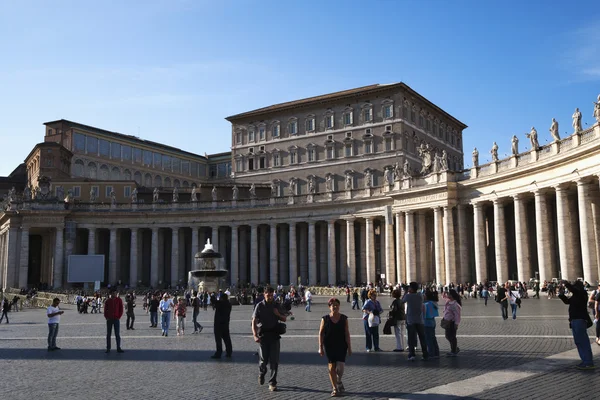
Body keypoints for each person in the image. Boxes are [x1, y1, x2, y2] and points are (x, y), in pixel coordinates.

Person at [252, 286, 287, 392]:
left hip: (274, 335)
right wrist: (254, 335)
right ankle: (262, 373)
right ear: (264, 294)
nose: (270, 297)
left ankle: (272, 382)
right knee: (263, 361)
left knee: (274, 361)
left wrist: (278, 314)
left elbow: (284, 318)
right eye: (268, 295)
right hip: (263, 336)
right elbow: (254, 320)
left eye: (272, 295)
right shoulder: (259, 306)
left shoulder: (277, 305)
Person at [319, 298, 351, 397]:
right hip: (329, 345)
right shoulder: (325, 319)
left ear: (339, 306)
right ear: (329, 307)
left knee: (340, 367)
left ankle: (338, 380)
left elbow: (347, 333)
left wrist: (349, 347)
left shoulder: (344, 318)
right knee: (331, 366)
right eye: (333, 305)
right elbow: (320, 333)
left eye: (337, 305)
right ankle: (334, 388)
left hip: (341, 345)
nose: (335, 307)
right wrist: (320, 347)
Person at [558, 280, 595, 369]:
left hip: (579, 320)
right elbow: (567, 302)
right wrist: (561, 294)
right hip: (575, 320)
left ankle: (588, 362)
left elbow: (574, 290)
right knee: (579, 341)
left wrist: (566, 283)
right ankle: (585, 360)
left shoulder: (581, 293)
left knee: (582, 341)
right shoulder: (576, 295)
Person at [403, 282, 429, 361]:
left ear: (411, 289)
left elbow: (402, 301)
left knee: (411, 338)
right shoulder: (420, 295)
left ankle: (412, 355)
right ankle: (425, 354)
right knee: (422, 338)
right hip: (420, 320)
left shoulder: (408, 296)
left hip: (411, 321)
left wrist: (405, 292)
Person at [211, 293, 233, 359]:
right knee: (227, 339)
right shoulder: (229, 304)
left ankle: (218, 353)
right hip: (225, 323)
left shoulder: (220, 303)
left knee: (218, 339)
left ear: (222, 298)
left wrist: (212, 295)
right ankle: (229, 352)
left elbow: (213, 301)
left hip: (218, 324)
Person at [104, 289, 124, 353]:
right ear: (111, 294)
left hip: (116, 319)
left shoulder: (119, 300)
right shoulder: (108, 301)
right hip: (109, 319)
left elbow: (121, 309)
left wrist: (119, 316)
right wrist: (106, 317)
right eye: (113, 293)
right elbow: (105, 310)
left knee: (117, 334)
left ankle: (118, 347)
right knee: (108, 334)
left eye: (115, 293)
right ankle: (108, 348)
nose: (114, 294)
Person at [442, 289, 462, 356]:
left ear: (452, 295)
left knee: (451, 336)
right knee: (448, 336)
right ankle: (454, 348)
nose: (447, 295)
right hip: (447, 321)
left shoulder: (455, 304)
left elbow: (457, 315)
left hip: (452, 322)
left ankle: (454, 350)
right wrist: (445, 292)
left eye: (449, 294)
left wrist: (456, 324)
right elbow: (443, 297)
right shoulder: (448, 301)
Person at [423, 290, 440, 359]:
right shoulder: (433, 303)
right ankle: (436, 352)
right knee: (433, 338)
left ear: (426, 296)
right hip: (432, 321)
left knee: (428, 339)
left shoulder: (426, 304)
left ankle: (431, 353)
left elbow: (424, 314)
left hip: (427, 322)